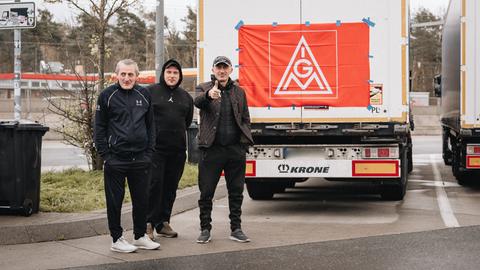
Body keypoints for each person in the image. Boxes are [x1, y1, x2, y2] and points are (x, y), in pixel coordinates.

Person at [94, 59, 160, 253]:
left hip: (140, 158)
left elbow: (151, 126)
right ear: (116, 75)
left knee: (142, 200)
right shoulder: (107, 95)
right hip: (116, 158)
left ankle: (140, 236)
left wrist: (149, 152)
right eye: (123, 74)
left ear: (136, 76)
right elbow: (99, 127)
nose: (126, 78)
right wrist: (106, 155)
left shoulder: (144, 94)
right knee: (115, 202)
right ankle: (117, 239)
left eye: (130, 74)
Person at [194, 56, 254, 244]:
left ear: (230, 70)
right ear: (213, 70)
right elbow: (197, 102)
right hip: (211, 150)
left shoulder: (239, 92)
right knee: (206, 192)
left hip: (235, 150)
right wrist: (208, 96)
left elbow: (245, 118)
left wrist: (244, 142)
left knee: (236, 191)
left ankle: (236, 228)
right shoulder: (204, 88)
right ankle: (205, 229)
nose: (221, 71)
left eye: (225, 67)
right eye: (218, 68)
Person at [146, 59, 194, 240]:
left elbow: (187, 122)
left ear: (179, 76)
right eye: (169, 72)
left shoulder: (185, 97)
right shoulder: (150, 92)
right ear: (163, 74)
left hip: (177, 151)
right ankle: (148, 223)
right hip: (155, 150)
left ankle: (163, 222)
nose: (172, 76)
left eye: (175, 73)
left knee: (170, 187)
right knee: (154, 186)